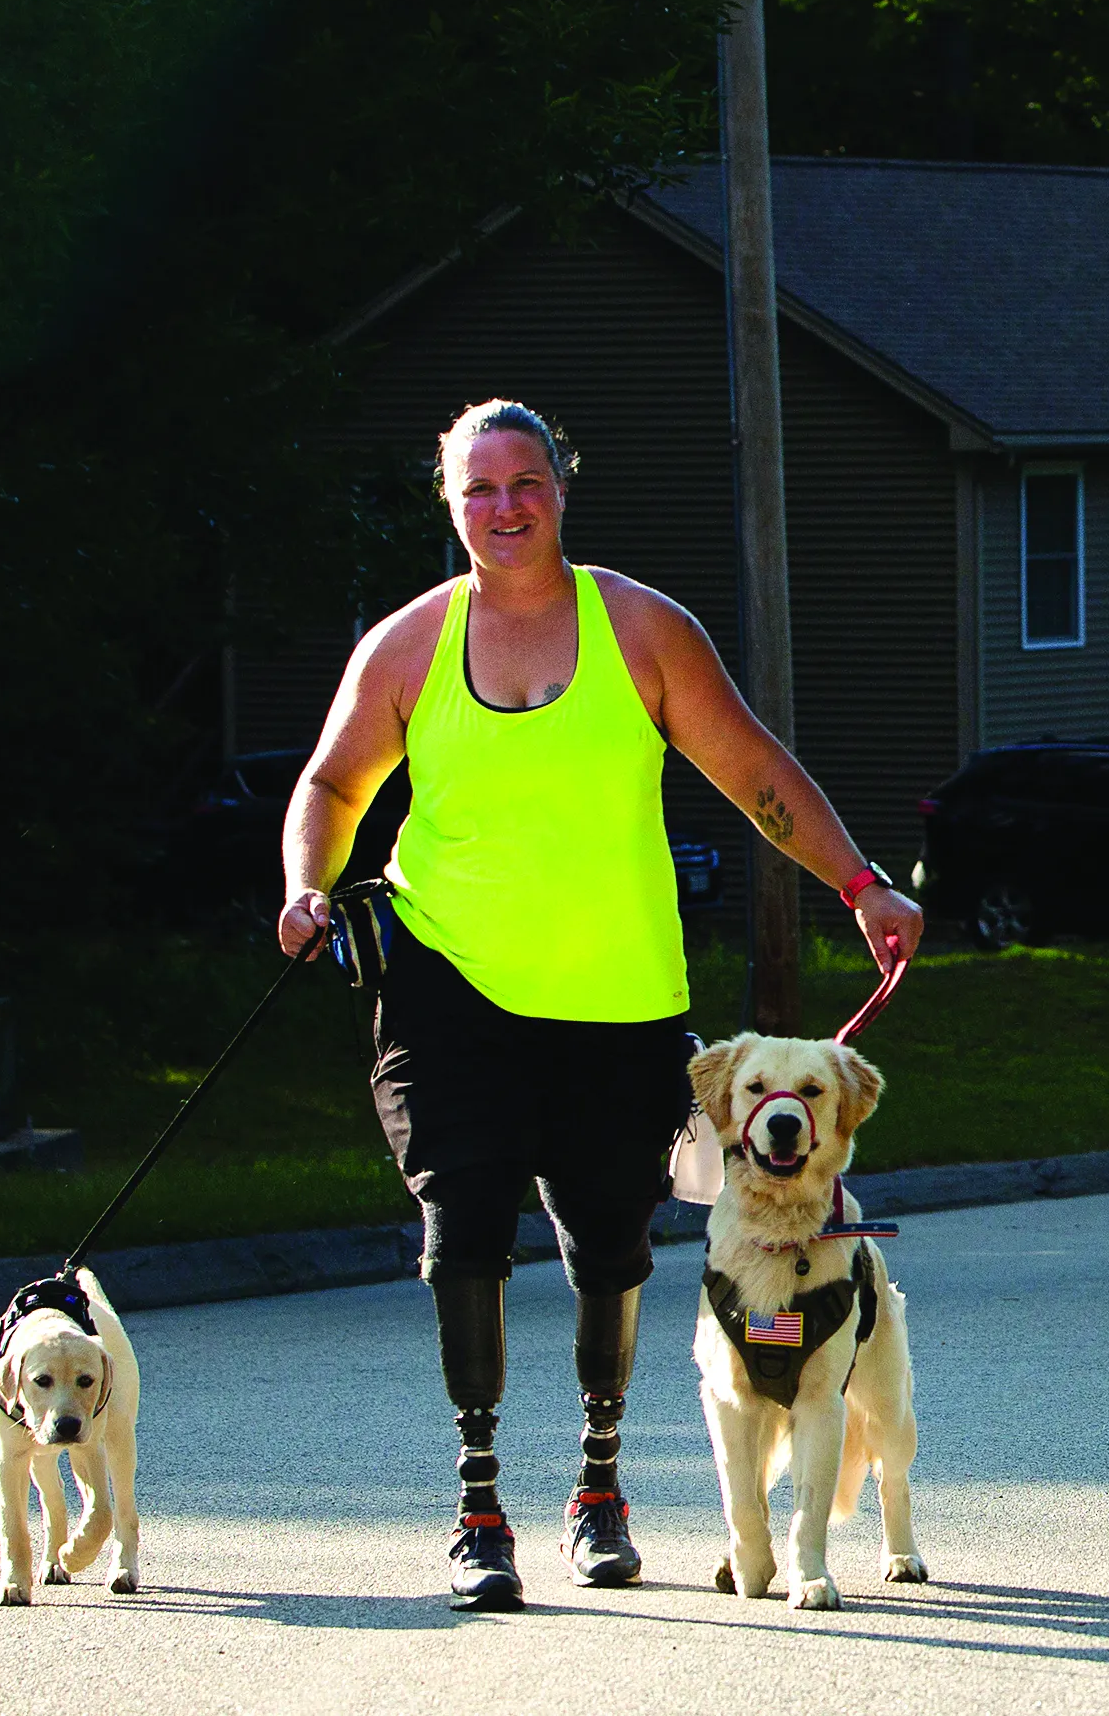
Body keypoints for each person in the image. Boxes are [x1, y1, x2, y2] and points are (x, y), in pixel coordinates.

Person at [278, 398, 923, 1612]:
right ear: (450, 504)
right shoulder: (410, 645)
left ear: (562, 490)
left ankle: (599, 1486)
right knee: (460, 1230)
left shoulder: (642, 632)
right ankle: (479, 1505)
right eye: (480, 489)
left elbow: (752, 771)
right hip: (445, 986)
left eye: (526, 482)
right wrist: (306, 889)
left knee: (611, 1249)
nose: (505, 507)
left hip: (620, 1007)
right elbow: (330, 781)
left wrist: (860, 881)